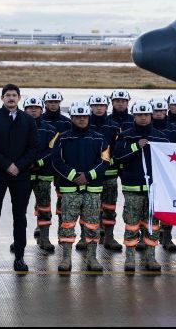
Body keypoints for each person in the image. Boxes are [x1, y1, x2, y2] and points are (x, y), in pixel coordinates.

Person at [0, 84, 38, 272]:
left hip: (21, 176)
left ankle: (20, 257)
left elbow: (33, 148)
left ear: (19, 98)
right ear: (2, 98)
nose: (11, 98)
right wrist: (7, 165)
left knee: (19, 217)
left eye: (14, 95)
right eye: (7, 95)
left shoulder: (28, 121)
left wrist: (19, 166)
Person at [52, 104, 110, 272]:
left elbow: (105, 161)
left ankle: (92, 258)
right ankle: (66, 259)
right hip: (70, 190)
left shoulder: (99, 139)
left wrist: (89, 176)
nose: (81, 119)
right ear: (72, 118)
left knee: (92, 225)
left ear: (88, 117)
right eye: (77, 117)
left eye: (84, 116)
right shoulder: (62, 138)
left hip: (92, 191)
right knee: (67, 225)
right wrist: (73, 176)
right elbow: (56, 160)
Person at [113, 101, 169, 272]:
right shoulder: (125, 136)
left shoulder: (161, 137)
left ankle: (150, 258)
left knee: (152, 225)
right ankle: (130, 258)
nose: (143, 118)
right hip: (132, 189)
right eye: (139, 115)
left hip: (154, 191)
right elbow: (118, 156)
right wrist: (136, 146)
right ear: (134, 116)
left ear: (151, 116)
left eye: (146, 115)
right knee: (131, 224)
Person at [22, 96, 58, 254]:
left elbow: (52, 151)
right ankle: (19, 239)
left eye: (36, 107)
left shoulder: (50, 130)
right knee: (20, 209)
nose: (33, 110)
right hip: (23, 175)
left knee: (44, 208)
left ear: (41, 110)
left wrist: (38, 163)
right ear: (24, 110)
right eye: (30, 108)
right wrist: (25, 163)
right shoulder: (17, 128)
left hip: (43, 175)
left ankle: (44, 238)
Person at [88, 94, 122, 252]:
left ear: (107, 107)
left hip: (109, 174)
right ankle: (87, 237)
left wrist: (111, 159)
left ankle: (109, 237)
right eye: (95, 105)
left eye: (101, 105)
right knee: (90, 208)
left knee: (109, 207)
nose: (99, 108)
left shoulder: (114, 127)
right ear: (91, 107)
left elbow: (119, 147)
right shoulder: (85, 125)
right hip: (91, 175)